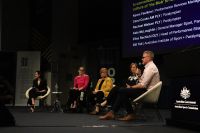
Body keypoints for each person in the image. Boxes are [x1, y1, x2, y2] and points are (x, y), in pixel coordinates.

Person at [99, 50, 160, 121]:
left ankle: (116, 111)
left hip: (147, 92)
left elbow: (143, 85)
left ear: (149, 58)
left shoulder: (151, 68)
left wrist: (131, 87)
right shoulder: (148, 67)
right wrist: (139, 76)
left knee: (122, 91)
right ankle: (113, 111)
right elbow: (141, 81)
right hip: (144, 90)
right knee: (118, 88)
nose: (142, 59)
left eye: (143, 57)